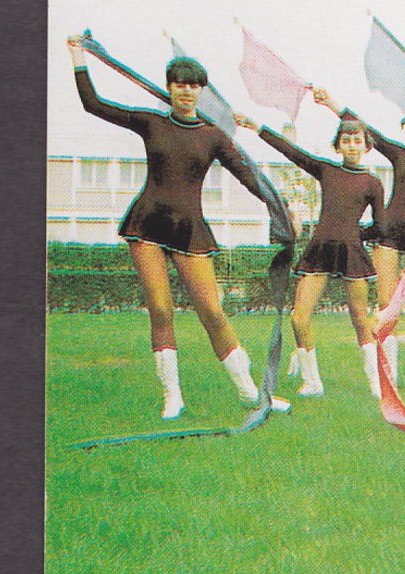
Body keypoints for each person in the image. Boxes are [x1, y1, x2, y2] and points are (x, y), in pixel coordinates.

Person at [69, 39, 279, 419]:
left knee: (213, 313)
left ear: (201, 90)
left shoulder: (213, 135)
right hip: (147, 223)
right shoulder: (151, 122)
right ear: (169, 87)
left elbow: (247, 174)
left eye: (194, 85)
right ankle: (172, 396)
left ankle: (250, 392)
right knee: (161, 311)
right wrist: (78, 57)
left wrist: (281, 206)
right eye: (180, 84)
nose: (186, 90)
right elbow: (93, 104)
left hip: (189, 228)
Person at [312, 91, 405, 391]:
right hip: (390, 235)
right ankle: (389, 374)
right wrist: (333, 103)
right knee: (386, 305)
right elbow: (367, 130)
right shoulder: (400, 154)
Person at [235, 112, 386, 398]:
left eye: (358, 141)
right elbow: (293, 153)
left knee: (360, 319)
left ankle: (375, 383)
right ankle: (312, 381)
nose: (352, 145)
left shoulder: (372, 183)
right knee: (299, 317)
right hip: (319, 250)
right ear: (338, 146)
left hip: (352, 254)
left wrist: (355, 238)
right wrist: (258, 127)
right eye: (346, 140)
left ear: (367, 146)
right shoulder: (327, 170)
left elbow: (381, 226)